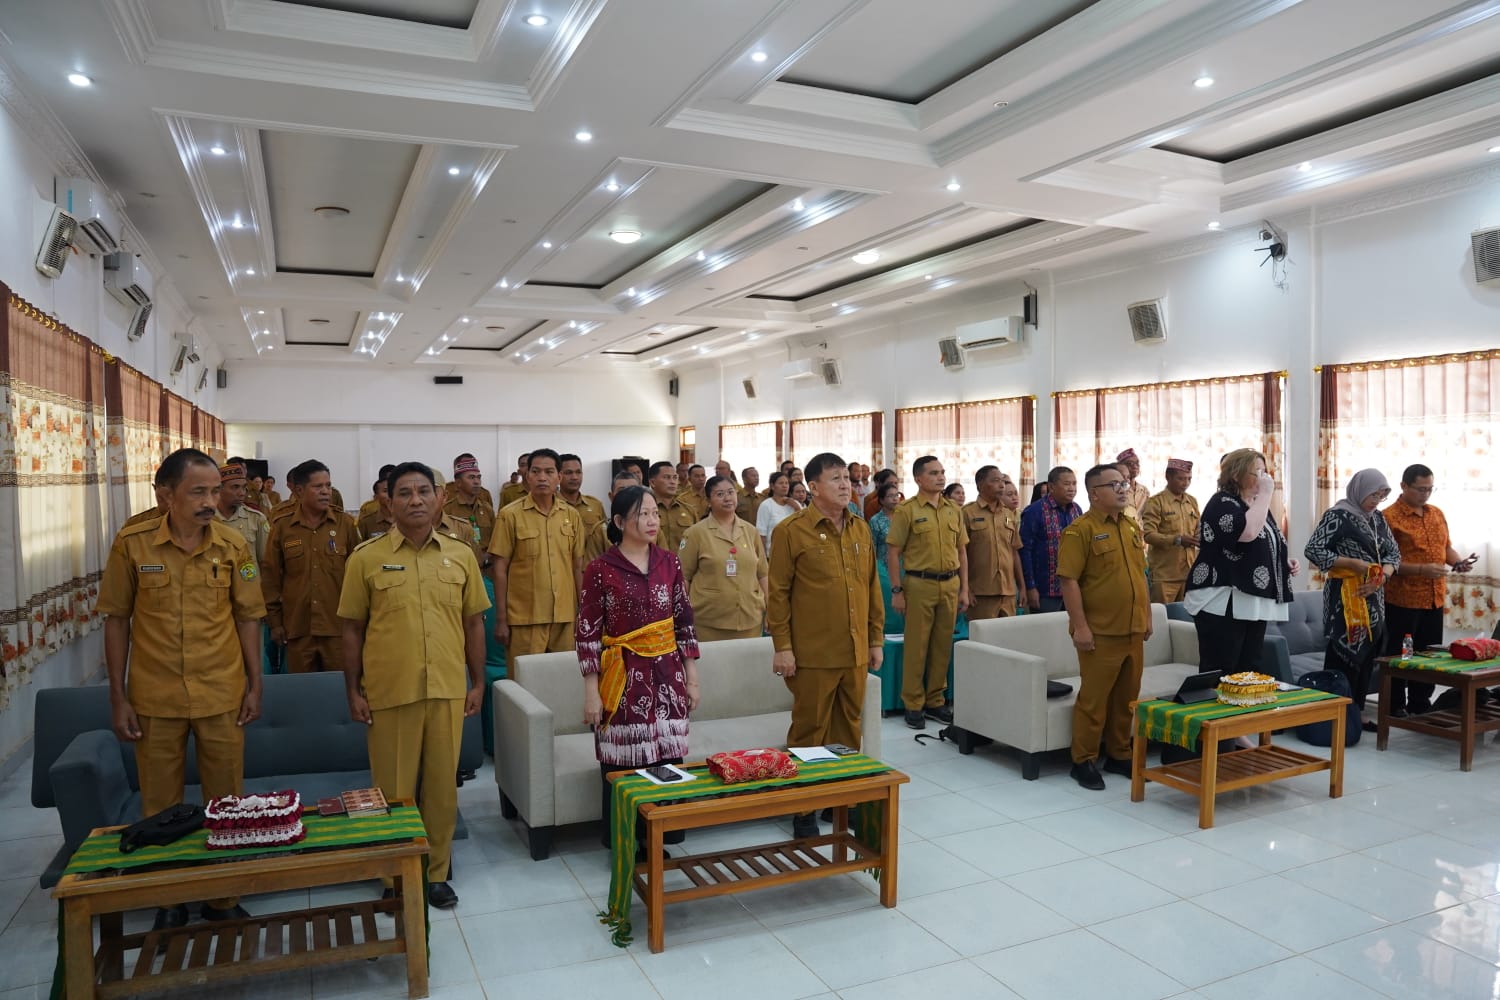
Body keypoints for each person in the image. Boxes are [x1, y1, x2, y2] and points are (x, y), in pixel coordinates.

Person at [98, 448, 266, 927]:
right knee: (160, 805)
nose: (210, 501)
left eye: (215, 490)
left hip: (221, 693)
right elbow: (116, 621)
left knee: (227, 801)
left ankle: (222, 898)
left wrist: (256, 685)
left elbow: (249, 618)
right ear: (165, 494)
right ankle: (169, 899)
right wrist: (118, 695)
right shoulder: (133, 545)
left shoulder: (234, 546)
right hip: (156, 696)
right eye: (199, 492)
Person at [339, 462, 488, 910]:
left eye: (424, 491)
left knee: (442, 787)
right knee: (390, 789)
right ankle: (393, 875)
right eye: (404, 493)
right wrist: (352, 690)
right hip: (390, 689)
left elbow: (473, 623)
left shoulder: (460, 555)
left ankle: (437, 872)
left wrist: (477, 682)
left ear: (440, 497)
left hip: (446, 687)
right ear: (388, 502)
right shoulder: (365, 557)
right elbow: (351, 630)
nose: (416, 500)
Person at [578, 485, 700, 857]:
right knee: (624, 758)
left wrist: (692, 677)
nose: (651, 521)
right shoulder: (600, 569)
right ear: (619, 522)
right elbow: (587, 633)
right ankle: (625, 839)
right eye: (641, 515)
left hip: (667, 674)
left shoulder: (669, 562)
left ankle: (658, 838)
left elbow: (684, 621)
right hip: (623, 675)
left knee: (665, 756)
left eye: (653, 513)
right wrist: (591, 691)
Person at [767, 453, 882, 838]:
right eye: (835, 479)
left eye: (847, 478)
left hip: (855, 649)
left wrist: (876, 639)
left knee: (848, 727)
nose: (845, 484)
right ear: (813, 487)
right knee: (810, 729)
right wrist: (782, 647)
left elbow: (871, 588)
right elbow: (778, 594)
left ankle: (839, 799)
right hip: (813, 652)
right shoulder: (791, 531)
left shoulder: (860, 529)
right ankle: (802, 806)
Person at [1057, 464, 1151, 790]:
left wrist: (1147, 617)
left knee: (1127, 698)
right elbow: (1069, 581)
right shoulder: (1079, 531)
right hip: (1100, 632)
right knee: (1094, 702)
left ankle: (1119, 754)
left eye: (1124, 483)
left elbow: (1140, 576)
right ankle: (1083, 760)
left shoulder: (1129, 525)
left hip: (1132, 629)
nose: (1123, 489)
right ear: (1095, 493)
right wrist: (1080, 627)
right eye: (1115, 485)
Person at [1183, 449, 1298, 685]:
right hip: (1223, 597)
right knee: (1223, 668)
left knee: (1249, 669)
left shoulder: (1255, 506)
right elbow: (1246, 533)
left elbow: (1264, 541)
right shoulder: (1222, 502)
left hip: (1252, 599)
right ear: (1236, 475)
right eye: (1257, 472)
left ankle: (1243, 718)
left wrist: (1282, 562)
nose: (1264, 478)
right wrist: (1266, 494)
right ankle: (1214, 720)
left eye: (1265, 472)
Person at [1381, 464, 1478, 715]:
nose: (1425, 494)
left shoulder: (1436, 513)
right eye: (1420, 489)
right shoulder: (1388, 517)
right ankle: (1394, 706)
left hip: (1433, 598)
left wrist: (1457, 562)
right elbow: (1386, 563)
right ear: (1403, 486)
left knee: (1429, 655)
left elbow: (1446, 547)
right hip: (1403, 599)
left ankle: (1420, 705)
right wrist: (1423, 569)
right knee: (1400, 655)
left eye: (1430, 489)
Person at [1305, 468, 1401, 719]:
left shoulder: (1378, 519)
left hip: (1373, 596)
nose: (1376, 502)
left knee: (1368, 655)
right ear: (1360, 491)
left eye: (1381, 496)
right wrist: (1351, 563)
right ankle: (1332, 717)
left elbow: (1394, 554)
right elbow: (1313, 550)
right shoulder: (1337, 516)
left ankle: (1355, 713)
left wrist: (1384, 576)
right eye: (1373, 495)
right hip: (1344, 596)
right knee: (1342, 653)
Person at [886, 456, 970, 730]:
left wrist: (964, 588)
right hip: (919, 584)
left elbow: (962, 551)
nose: (940, 477)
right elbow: (894, 552)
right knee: (917, 646)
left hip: (950, 584)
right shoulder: (907, 510)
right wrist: (897, 590)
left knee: (942, 645)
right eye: (934, 473)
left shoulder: (953, 510)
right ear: (919, 479)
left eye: (942, 472)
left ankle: (936, 699)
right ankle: (913, 702)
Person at [487, 448, 584, 671]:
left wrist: (581, 613)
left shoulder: (572, 516)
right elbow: (499, 569)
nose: (542, 477)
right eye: (536, 471)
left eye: (549, 472)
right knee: (525, 688)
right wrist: (501, 619)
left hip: (564, 618)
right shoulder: (510, 515)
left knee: (563, 683)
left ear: (559, 477)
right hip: (524, 620)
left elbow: (577, 568)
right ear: (527, 476)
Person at [262, 460, 361, 674]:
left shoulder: (345, 525)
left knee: (339, 693)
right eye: (318, 487)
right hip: (298, 628)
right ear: (299, 490)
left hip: (338, 627)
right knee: (302, 695)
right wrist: (275, 622)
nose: (325, 492)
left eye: (328, 485)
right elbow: (271, 576)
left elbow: (359, 576)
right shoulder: (282, 527)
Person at [679, 474, 767, 641]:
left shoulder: (750, 531)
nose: (727, 498)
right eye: (720, 494)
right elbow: (684, 577)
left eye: (730, 492)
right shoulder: (695, 533)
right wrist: (684, 615)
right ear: (708, 500)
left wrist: (770, 609)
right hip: (709, 622)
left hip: (750, 619)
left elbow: (763, 573)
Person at [964, 466, 1025, 621]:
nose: (1001, 485)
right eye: (995, 480)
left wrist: (1022, 587)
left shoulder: (1008, 513)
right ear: (980, 485)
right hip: (980, 593)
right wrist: (965, 589)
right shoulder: (967, 513)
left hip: (1008, 592)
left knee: (1006, 640)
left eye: (1002, 481)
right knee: (982, 641)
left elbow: (1014, 552)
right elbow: (960, 553)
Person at [1021, 466, 1082, 613]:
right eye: (1067, 484)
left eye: (1074, 484)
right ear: (1052, 487)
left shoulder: (1077, 510)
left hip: (1073, 587)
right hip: (1045, 590)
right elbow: (1025, 551)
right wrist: (1030, 587)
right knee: (1044, 634)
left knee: (1071, 631)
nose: (1072, 488)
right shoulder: (1034, 511)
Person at [1141, 458, 1201, 603]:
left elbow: (1198, 528)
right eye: (1180, 478)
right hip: (1164, 576)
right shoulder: (1156, 502)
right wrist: (1177, 540)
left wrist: (1199, 537)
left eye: (1189, 479)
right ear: (1168, 477)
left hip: (1188, 573)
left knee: (1184, 620)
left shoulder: (1192, 501)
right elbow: (1148, 535)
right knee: (1162, 618)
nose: (1185, 483)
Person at [443, 454, 496, 568]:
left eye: (479, 477)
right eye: (471, 477)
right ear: (458, 483)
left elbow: (496, 538)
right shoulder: (447, 510)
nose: (477, 481)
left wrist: (486, 557)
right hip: (459, 566)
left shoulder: (487, 509)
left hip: (486, 569)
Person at [586, 470, 640, 564]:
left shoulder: (651, 527)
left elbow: (664, 564)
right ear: (611, 496)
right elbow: (591, 568)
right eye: (621, 491)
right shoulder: (601, 531)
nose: (628, 496)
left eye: (633, 490)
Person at [558, 454, 607, 538]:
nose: (574, 477)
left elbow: (605, 537)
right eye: (568, 473)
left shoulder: (595, 505)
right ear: (558, 475)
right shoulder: (551, 506)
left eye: (578, 472)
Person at [756, 470, 800, 556]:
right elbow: (761, 534)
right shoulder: (766, 505)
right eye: (781, 483)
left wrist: (796, 507)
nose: (784, 486)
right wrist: (763, 558)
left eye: (786, 483)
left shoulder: (794, 504)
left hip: (793, 553)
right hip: (773, 554)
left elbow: (804, 525)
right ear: (772, 486)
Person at [1116, 448, 1150, 521]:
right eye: (1129, 464)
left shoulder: (1144, 491)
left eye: (1137, 463)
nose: (1135, 466)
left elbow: (1147, 516)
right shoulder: (1117, 490)